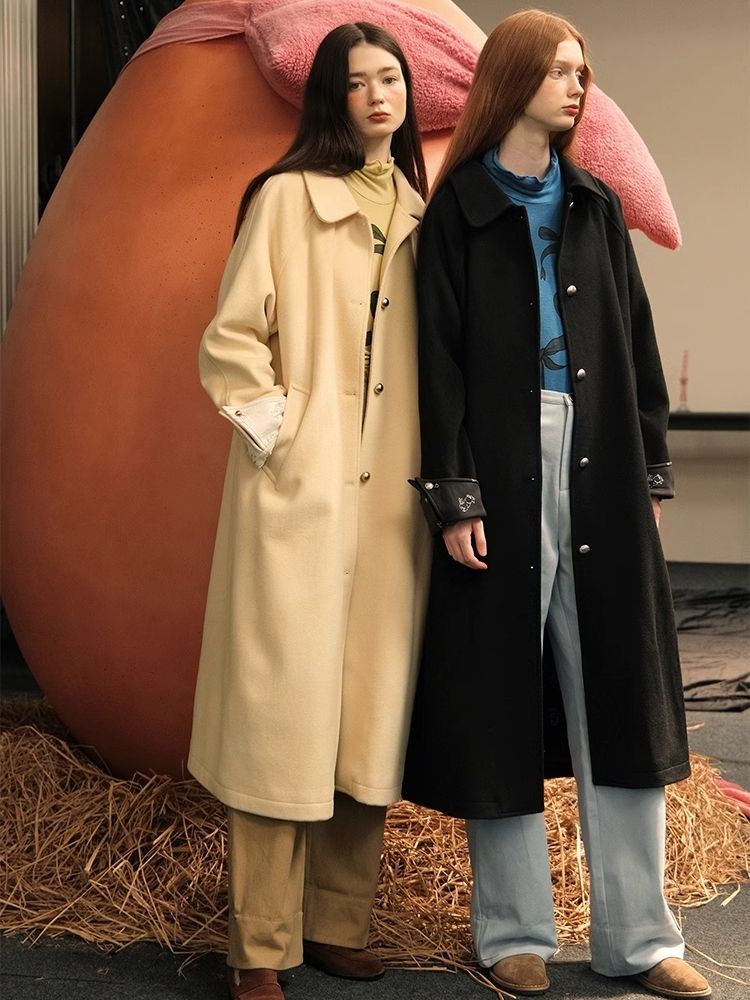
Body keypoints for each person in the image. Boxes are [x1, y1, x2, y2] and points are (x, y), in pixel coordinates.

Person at [402, 10, 711, 999]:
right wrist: (456, 493)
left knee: (621, 690)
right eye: (562, 71)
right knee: (498, 691)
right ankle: (512, 932)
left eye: (584, 71)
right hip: (501, 460)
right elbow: (436, 367)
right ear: (514, 79)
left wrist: (648, 468)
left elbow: (637, 342)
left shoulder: (594, 204)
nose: (580, 87)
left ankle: (641, 939)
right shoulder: (456, 214)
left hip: (601, 453)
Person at [187, 22, 430, 1000]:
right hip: (296, 490)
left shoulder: (420, 212)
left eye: (391, 77)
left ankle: (337, 922)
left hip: (391, 499)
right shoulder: (285, 198)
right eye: (358, 81)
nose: (379, 94)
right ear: (332, 97)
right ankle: (258, 944)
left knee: (366, 713)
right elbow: (231, 337)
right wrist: (280, 436)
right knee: (278, 717)